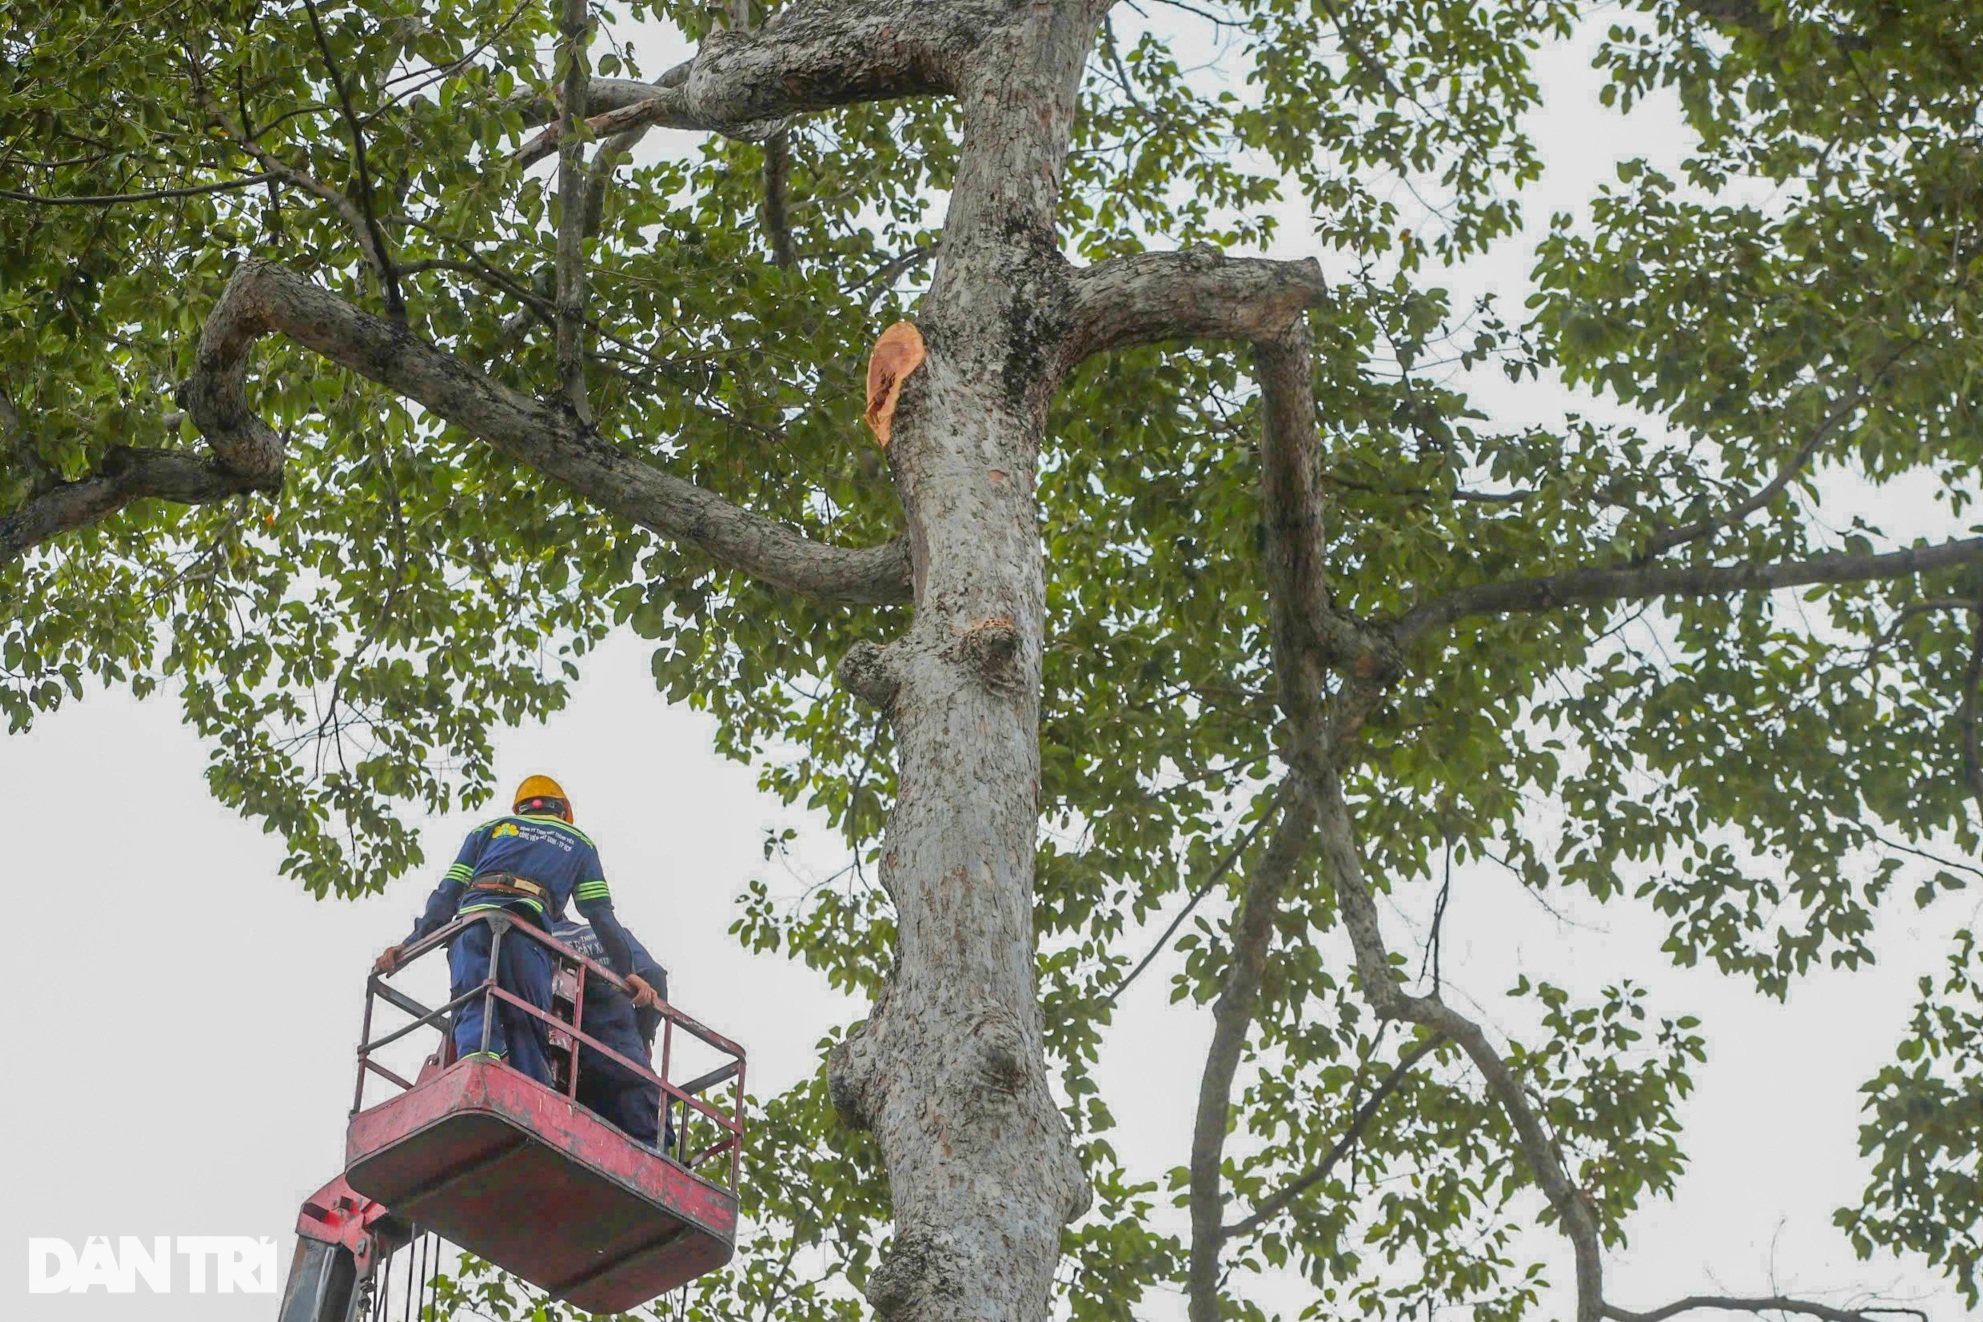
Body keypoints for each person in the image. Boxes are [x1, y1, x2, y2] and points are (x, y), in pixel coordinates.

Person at [373, 775, 660, 1087]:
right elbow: (600, 915)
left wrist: (410, 944)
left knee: (474, 1002)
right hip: (526, 935)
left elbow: (447, 894)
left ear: (520, 808)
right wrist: (626, 970)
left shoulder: (489, 830)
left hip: (472, 926)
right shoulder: (577, 841)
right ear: (562, 811)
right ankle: (530, 1092)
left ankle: (477, 1074)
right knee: (527, 1020)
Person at [553, 917, 669, 1149]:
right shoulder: (609, 934)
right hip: (625, 1058)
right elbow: (654, 976)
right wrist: (644, 1034)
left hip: (568, 1069)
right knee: (651, 1151)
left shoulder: (538, 937)